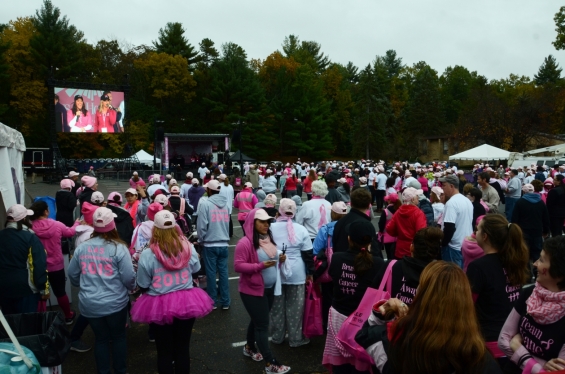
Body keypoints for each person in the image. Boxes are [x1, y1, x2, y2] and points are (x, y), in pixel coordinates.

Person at [357, 261, 501, 374]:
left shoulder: (397, 341)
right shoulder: (481, 359)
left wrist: (382, 313)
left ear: (421, 297)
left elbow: (365, 335)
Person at [131, 210, 213, 374]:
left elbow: (143, 283)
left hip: (159, 303)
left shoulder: (148, 253)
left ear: (155, 229)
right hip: (186, 301)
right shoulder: (187, 247)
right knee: (183, 348)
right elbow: (196, 269)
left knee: (164, 351)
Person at [68, 207, 136, 374]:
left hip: (90, 303)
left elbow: (72, 274)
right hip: (115, 302)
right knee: (119, 337)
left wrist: (82, 284)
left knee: (101, 339)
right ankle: (120, 370)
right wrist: (131, 289)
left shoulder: (82, 247)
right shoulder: (119, 248)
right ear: (112, 225)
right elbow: (129, 278)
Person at [322, 220, 385, 374]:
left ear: (349, 239)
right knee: (361, 361)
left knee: (340, 366)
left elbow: (332, 277)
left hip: (339, 318)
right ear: (371, 241)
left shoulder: (336, 258)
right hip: (363, 320)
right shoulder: (379, 264)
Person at [466, 214, 530, 364]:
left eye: (478, 229)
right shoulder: (514, 259)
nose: (475, 233)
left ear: (485, 236)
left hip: (487, 342)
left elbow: (467, 306)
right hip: (513, 340)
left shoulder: (479, 267)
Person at [234, 208, 291, 374]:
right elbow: (238, 266)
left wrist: (279, 259)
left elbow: (271, 258)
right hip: (252, 290)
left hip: (269, 288)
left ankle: (250, 347)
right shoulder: (245, 242)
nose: (266, 224)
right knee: (262, 325)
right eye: (262, 221)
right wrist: (259, 266)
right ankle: (270, 363)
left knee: (258, 320)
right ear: (253, 222)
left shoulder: (267, 238)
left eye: (268, 221)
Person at [498, 236, 565, 373]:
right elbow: (503, 340)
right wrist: (541, 366)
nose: (535, 264)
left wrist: (517, 347)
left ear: (559, 273)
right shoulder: (530, 293)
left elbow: (558, 370)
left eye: (541, 260)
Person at [269, 199, 313, 347]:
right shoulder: (301, 229)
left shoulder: (270, 227)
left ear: (279, 210)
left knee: (276, 307)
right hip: (297, 272)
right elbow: (308, 254)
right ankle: (295, 338)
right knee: (295, 307)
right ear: (294, 212)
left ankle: (277, 336)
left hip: (276, 271)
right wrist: (310, 273)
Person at [30, 200, 79, 324]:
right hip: (56, 265)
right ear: (46, 211)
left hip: (38, 266)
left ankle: (41, 320)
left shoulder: (30, 228)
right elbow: (70, 232)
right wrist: (77, 223)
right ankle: (68, 316)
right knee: (60, 292)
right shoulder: (57, 225)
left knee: (41, 294)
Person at [372, 227, 443, 306]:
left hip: (390, 316)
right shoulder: (441, 277)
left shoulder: (391, 267)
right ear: (436, 253)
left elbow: (373, 294)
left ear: (411, 247)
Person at [0, 205, 48, 314]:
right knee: (27, 324)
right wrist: (43, 288)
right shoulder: (30, 238)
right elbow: (39, 265)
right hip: (25, 290)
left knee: (10, 325)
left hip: (3, 288)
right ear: (24, 219)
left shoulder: (1, 235)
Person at [312, 201, 348, 330]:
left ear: (332, 213)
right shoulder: (350, 227)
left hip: (329, 268)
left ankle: (328, 323)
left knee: (327, 296)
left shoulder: (326, 229)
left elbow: (315, 250)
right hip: (347, 268)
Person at [197, 179, 231, 309]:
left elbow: (202, 226)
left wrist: (200, 239)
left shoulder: (206, 204)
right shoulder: (226, 204)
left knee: (211, 274)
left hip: (210, 243)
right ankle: (225, 301)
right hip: (223, 243)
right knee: (223, 273)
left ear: (209, 190)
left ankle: (212, 302)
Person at [512, 184, 550, 278]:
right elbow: (546, 218)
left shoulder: (520, 202)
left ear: (524, 191)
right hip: (537, 232)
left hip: (523, 232)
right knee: (537, 254)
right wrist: (545, 231)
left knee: (524, 254)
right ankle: (538, 273)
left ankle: (527, 276)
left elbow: (514, 219)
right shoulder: (541, 202)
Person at [333, 188, 381, 256]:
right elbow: (375, 251)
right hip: (362, 263)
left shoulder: (339, 222)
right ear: (368, 205)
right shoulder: (366, 225)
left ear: (351, 203)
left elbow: (335, 246)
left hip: (342, 263)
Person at [440, 174, 473, 268]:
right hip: (465, 243)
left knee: (452, 277)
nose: (442, 188)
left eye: (444, 185)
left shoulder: (451, 203)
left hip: (453, 246)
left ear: (451, 186)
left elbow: (449, 227)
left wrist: (443, 243)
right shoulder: (467, 200)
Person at [386, 187, 427, 260]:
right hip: (413, 250)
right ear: (412, 199)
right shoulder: (418, 213)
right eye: (417, 197)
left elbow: (389, 228)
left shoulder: (398, 212)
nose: (418, 198)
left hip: (400, 249)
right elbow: (422, 234)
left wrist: (399, 233)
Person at [378, 193, 401, 260]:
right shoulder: (400, 210)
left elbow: (381, 224)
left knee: (389, 256)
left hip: (387, 237)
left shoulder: (386, 211)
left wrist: (381, 232)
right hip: (398, 237)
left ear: (389, 201)